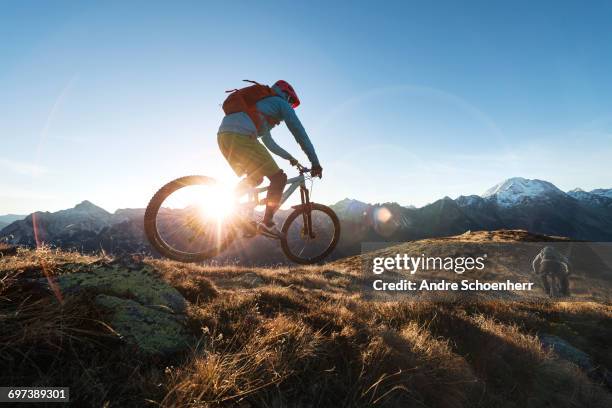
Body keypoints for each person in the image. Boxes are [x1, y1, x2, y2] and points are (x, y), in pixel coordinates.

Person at [217, 80, 322, 237]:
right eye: (291, 102)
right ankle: (268, 223)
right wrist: (315, 162)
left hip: (224, 137)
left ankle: (235, 210)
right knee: (279, 178)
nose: (291, 106)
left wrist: (291, 158)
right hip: (242, 136)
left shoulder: (260, 108)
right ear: (286, 95)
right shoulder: (280, 103)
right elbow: (299, 133)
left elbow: (270, 144)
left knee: (256, 178)